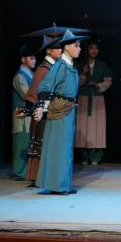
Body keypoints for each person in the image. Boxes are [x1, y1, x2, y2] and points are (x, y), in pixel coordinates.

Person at [34, 30, 88, 194]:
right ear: (66, 48)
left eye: (79, 46)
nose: (79, 48)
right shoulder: (60, 65)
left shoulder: (69, 66)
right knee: (59, 147)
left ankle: (62, 184)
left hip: (68, 109)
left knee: (65, 147)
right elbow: (45, 85)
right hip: (60, 110)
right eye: (76, 45)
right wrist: (40, 107)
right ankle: (57, 185)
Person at [25, 35, 63, 184]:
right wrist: (39, 108)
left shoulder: (54, 67)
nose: (60, 50)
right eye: (57, 48)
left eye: (61, 47)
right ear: (48, 50)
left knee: (48, 145)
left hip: (52, 110)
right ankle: (37, 176)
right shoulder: (43, 68)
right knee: (40, 143)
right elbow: (35, 91)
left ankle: (46, 176)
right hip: (43, 111)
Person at [74, 37, 112, 165]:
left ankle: (96, 156)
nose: (94, 51)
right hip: (83, 99)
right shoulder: (80, 64)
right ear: (87, 49)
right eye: (91, 48)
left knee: (97, 127)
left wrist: (97, 85)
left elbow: (108, 81)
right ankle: (84, 156)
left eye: (96, 48)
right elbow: (75, 83)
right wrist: (84, 74)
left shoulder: (102, 64)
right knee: (83, 127)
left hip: (97, 99)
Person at [10, 45, 36, 179]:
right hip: (21, 113)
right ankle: (19, 171)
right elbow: (27, 94)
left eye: (34, 58)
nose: (34, 60)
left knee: (27, 141)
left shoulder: (32, 74)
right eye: (31, 58)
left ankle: (26, 171)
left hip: (29, 113)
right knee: (21, 141)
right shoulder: (20, 76)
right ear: (23, 59)